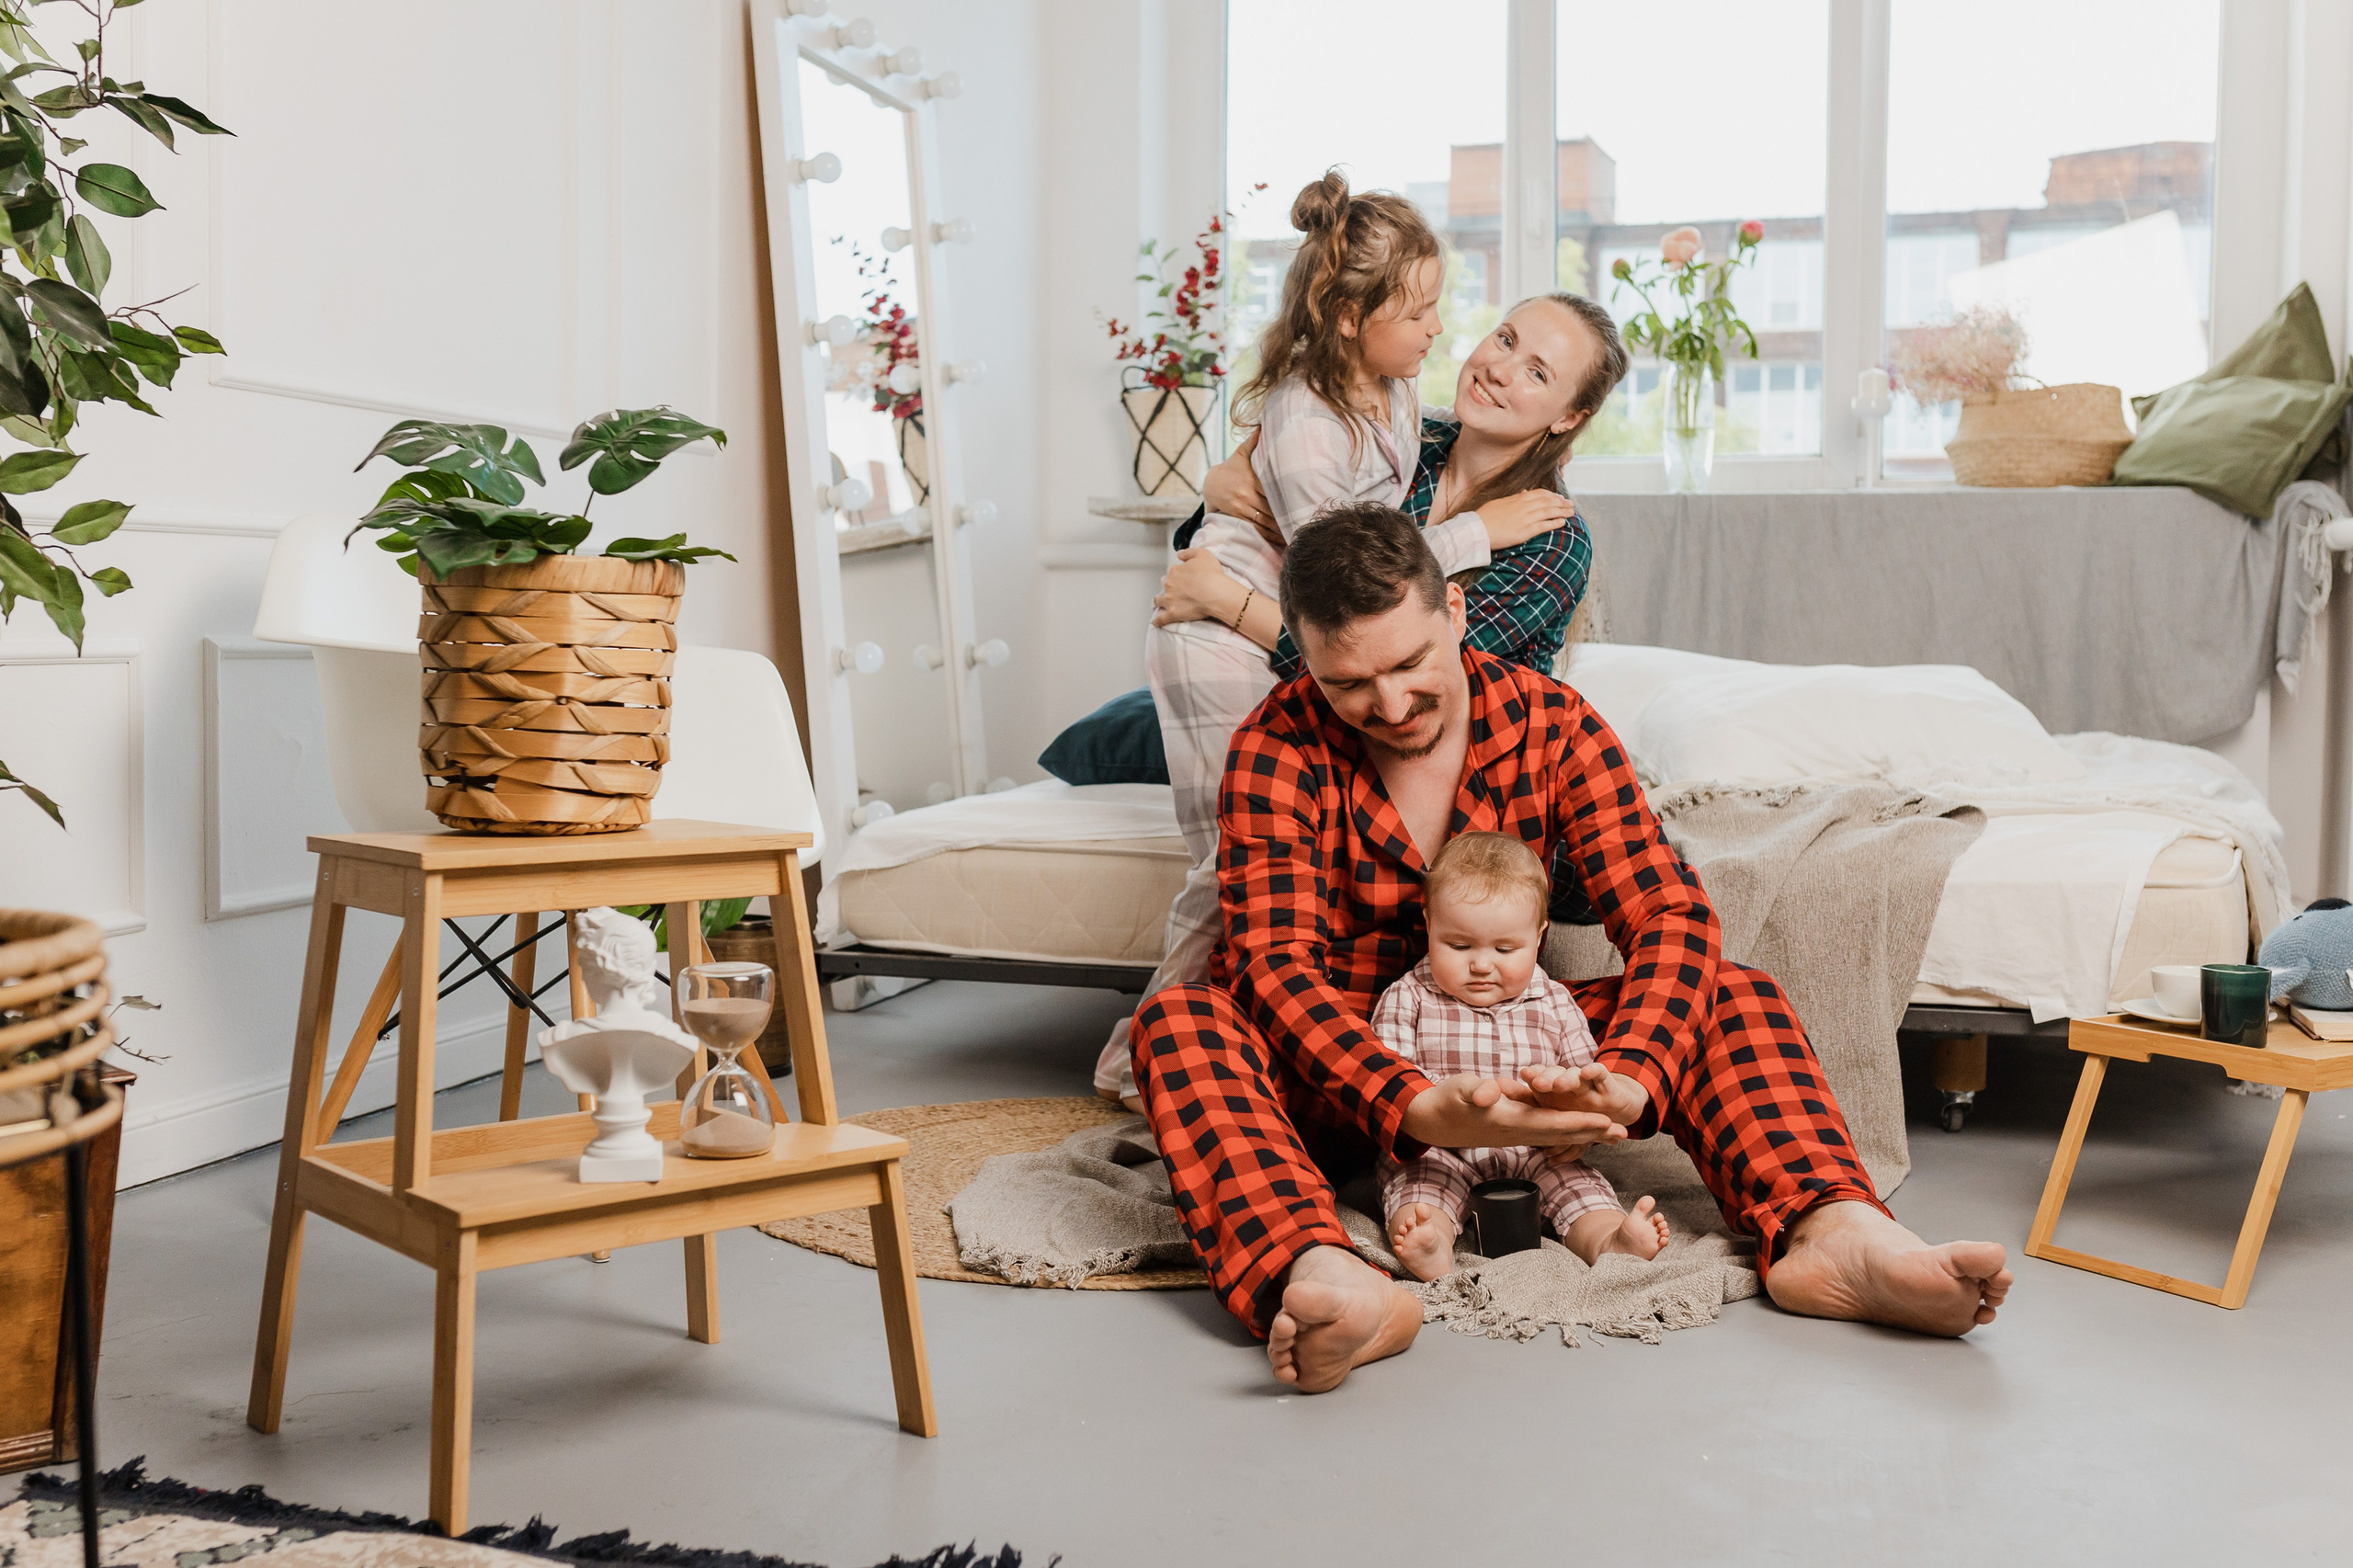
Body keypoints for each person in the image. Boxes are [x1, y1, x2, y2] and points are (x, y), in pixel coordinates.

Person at [1129, 503, 2016, 1393]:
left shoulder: (1554, 722)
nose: (1389, 704)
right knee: (1179, 1018)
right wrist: (1415, 1103)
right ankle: (1326, 1273)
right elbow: (1272, 967)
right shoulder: (1274, 744)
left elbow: (1666, 911)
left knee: (1732, 990)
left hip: (1520, 1053)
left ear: (1457, 614)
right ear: (1308, 660)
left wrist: (1630, 1072)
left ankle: (1835, 1233)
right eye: (1348, 682)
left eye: (1409, 662)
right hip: (1345, 1081)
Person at [1094, 168, 1631, 1105]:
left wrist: (1228, 601)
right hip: (1316, 729)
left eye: (1538, 371)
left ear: (1569, 415)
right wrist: (1214, 494)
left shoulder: (1549, 538)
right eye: (1504, 337)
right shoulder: (1392, 428)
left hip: (1427, 770)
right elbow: (1247, 537)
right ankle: (1205, 1052)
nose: (1499, 366)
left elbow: (1390, 687)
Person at [1377, 830, 1670, 1282]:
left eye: (1504, 949)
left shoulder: (1553, 1000)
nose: (1480, 964)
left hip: (1537, 1149)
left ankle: (1611, 1240)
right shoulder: (1408, 997)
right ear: (1429, 924)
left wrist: (1583, 1109)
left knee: (1579, 1189)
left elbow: (1587, 1075)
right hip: (1440, 1149)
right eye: (1459, 945)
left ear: (1538, 936)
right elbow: (1388, 1079)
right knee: (1419, 1192)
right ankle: (1429, 1244)